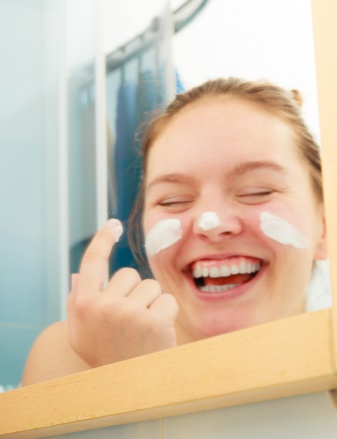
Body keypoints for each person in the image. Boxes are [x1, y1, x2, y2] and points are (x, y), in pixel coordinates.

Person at [22, 77, 329, 385]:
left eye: (257, 191)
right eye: (174, 200)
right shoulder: (69, 359)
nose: (211, 222)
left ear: (326, 227)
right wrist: (120, 381)